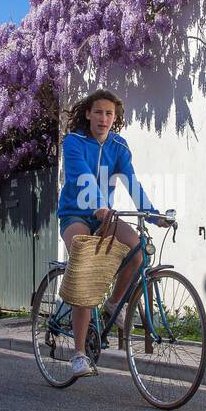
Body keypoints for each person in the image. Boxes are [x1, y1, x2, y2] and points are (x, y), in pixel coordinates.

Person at [55, 88, 165, 378]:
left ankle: (113, 304)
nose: (104, 118)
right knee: (86, 267)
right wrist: (99, 206)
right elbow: (82, 177)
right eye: (99, 112)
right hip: (76, 213)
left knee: (139, 249)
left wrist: (153, 214)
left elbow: (131, 181)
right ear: (88, 114)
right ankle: (79, 354)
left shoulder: (119, 146)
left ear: (115, 118)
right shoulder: (74, 142)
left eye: (109, 114)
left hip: (107, 215)